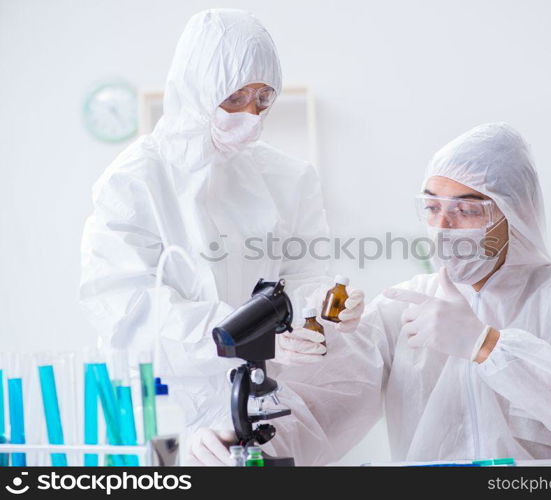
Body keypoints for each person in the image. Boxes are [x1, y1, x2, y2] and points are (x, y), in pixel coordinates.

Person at [187, 123, 551, 466]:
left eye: (466, 209)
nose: (443, 225)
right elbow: (320, 408)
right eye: (432, 207)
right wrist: (240, 435)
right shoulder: (402, 308)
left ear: (513, 213)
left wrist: (488, 346)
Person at [79, 8, 364, 453]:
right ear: (197, 88)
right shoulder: (135, 180)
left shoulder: (288, 178)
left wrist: (322, 310)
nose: (251, 114)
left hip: (262, 407)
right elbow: (126, 310)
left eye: (263, 98)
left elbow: (305, 274)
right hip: (166, 412)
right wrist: (241, 336)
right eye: (235, 98)